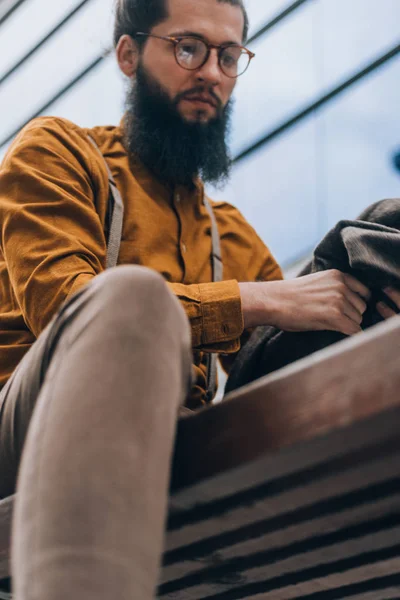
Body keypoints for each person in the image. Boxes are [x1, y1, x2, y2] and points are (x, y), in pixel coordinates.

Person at [0, 0, 399, 598]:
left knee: (374, 237)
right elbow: (66, 310)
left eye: (229, 55)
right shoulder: (58, 153)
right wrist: (262, 300)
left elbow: (284, 345)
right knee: (131, 298)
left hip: (175, 440)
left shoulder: (229, 229)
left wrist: (365, 301)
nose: (212, 73)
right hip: (27, 428)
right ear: (129, 54)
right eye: (188, 47)